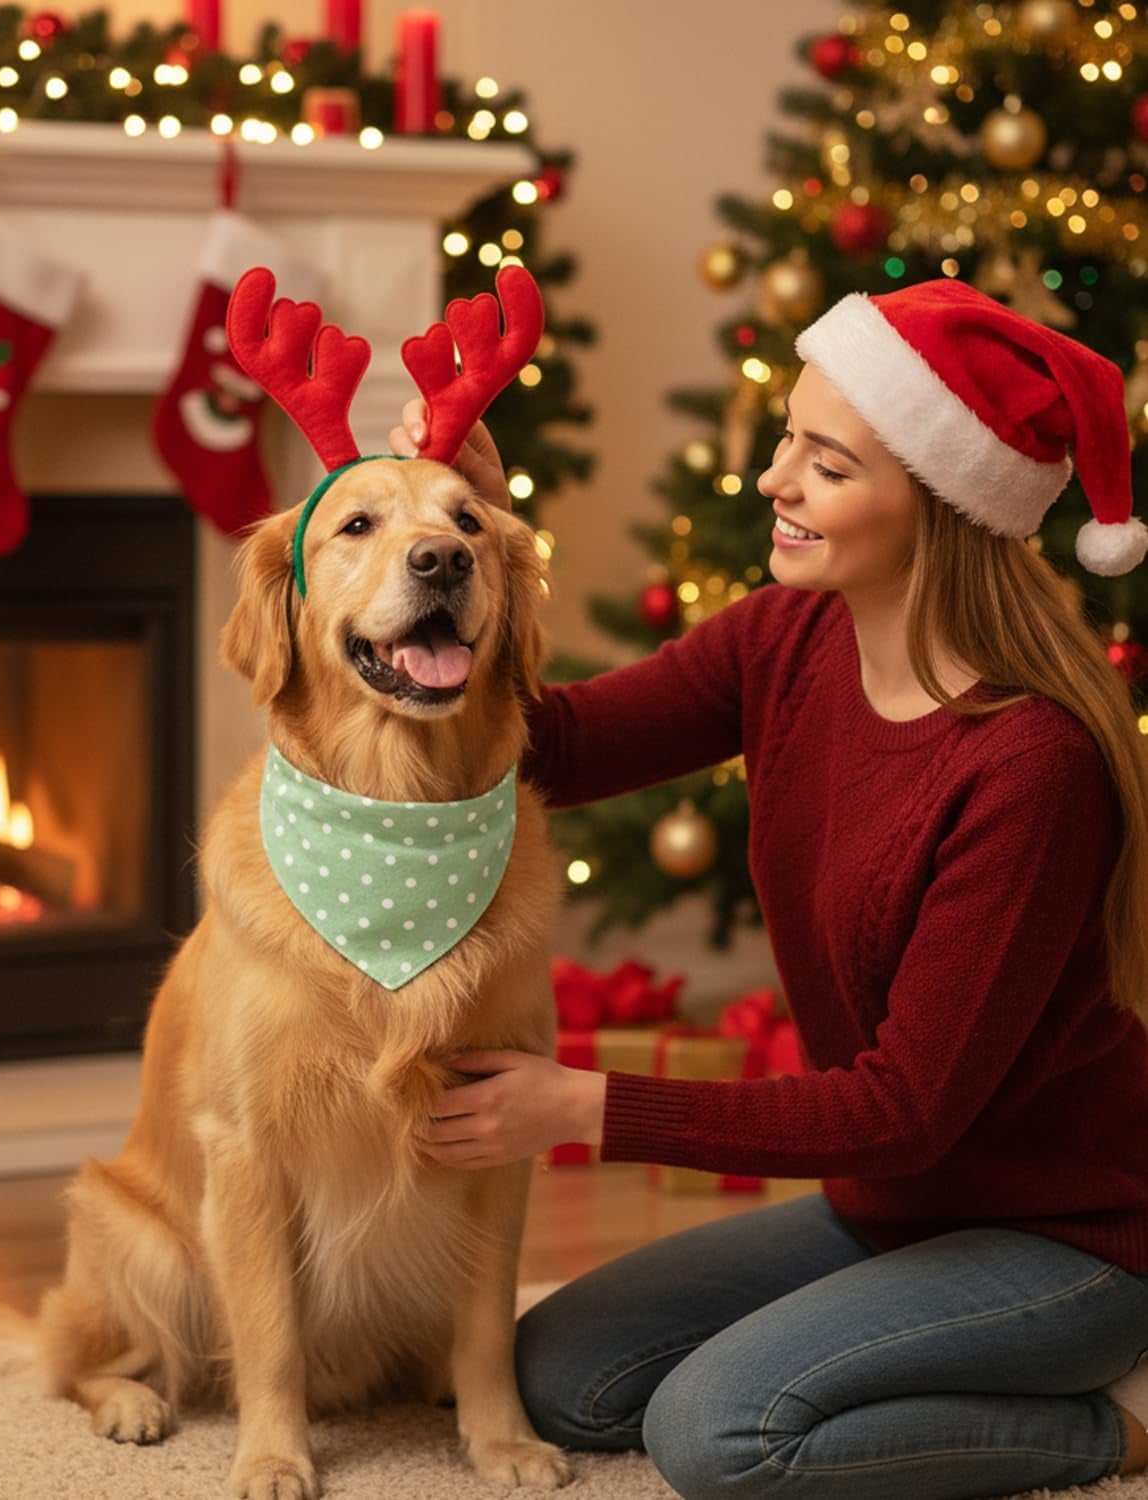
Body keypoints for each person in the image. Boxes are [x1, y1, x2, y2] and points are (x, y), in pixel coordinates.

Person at [389, 278, 1148, 1500]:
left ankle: (1116, 1425)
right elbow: (559, 745)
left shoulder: (1029, 766)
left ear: (941, 506)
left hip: (1066, 1240)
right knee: (560, 1381)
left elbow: (905, 1109)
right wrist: (464, 535)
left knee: (720, 1434)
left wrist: (583, 1105)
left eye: (827, 464)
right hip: (889, 1210)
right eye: (788, 436)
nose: (773, 481)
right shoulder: (789, 641)